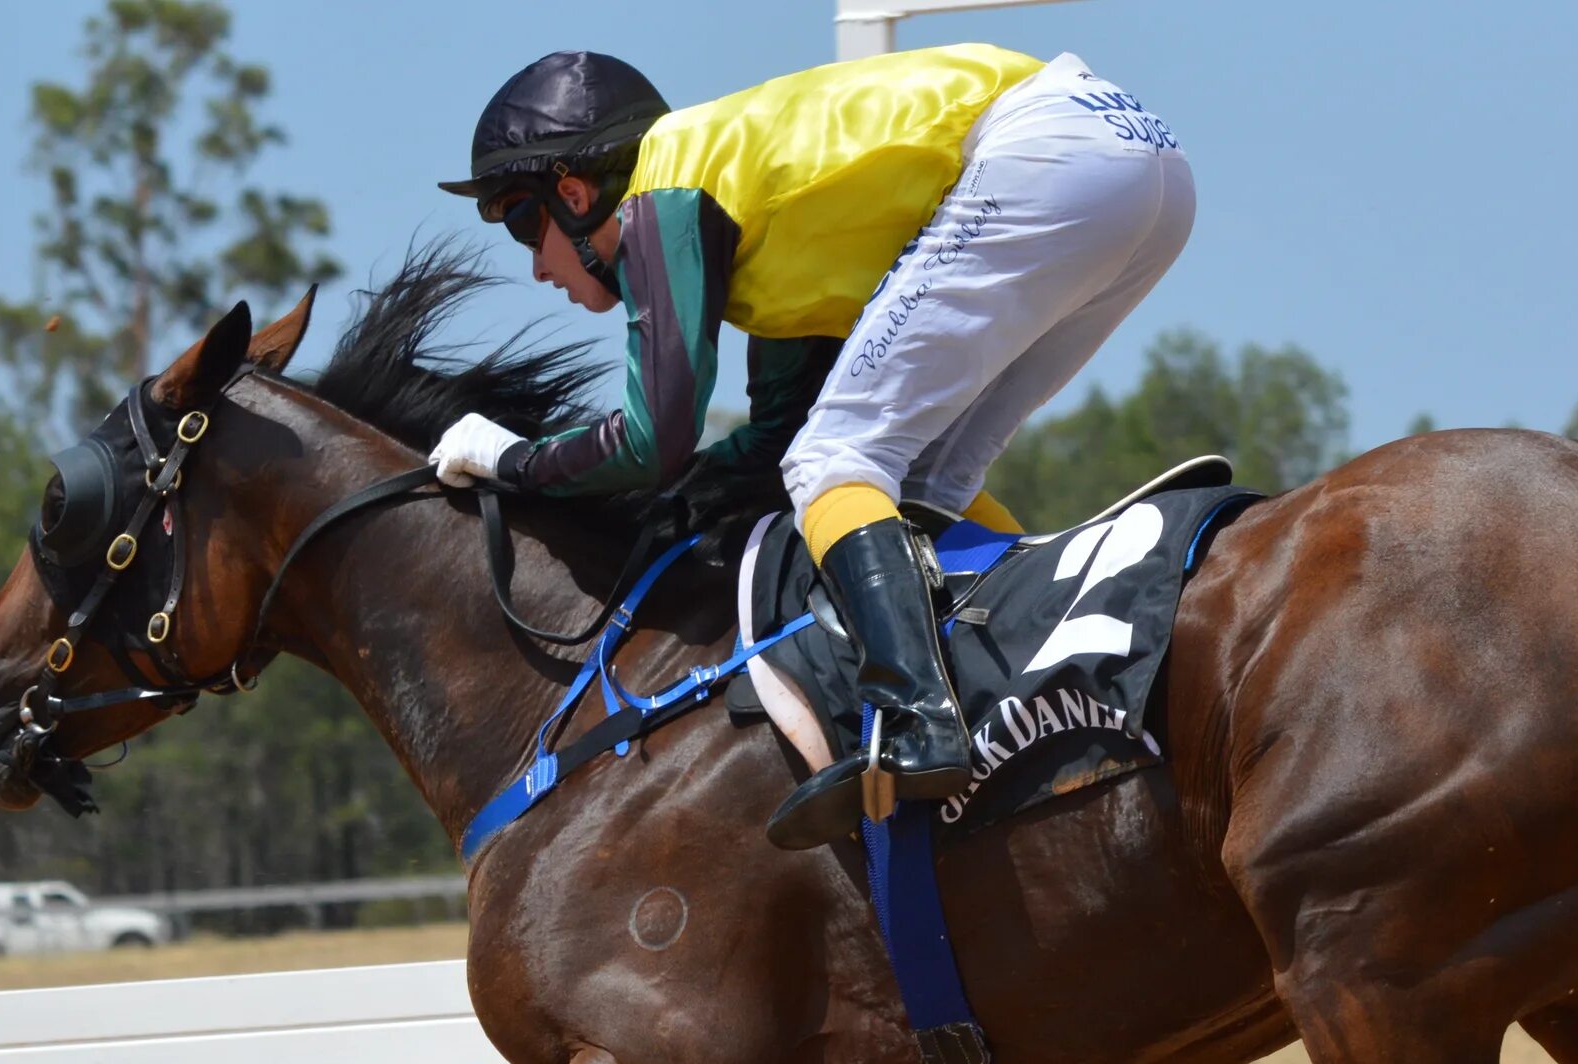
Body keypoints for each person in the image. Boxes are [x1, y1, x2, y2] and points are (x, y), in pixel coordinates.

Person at [429, 45, 1194, 846]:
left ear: (576, 193)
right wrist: (678, 497)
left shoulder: (665, 193)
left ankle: (918, 724)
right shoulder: (749, 217)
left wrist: (508, 458)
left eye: (522, 219)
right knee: (922, 471)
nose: (534, 264)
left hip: (1053, 156)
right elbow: (770, 439)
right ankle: (1036, 684)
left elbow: (655, 435)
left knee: (836, 462)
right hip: (1144, 165)